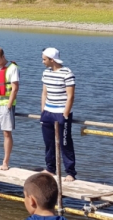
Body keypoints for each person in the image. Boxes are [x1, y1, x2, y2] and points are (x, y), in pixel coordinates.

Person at [41, 47, 76, 182]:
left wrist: (65, 113)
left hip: (61, 113)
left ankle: (70, 172)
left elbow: (70, 96)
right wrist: (43, 110)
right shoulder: (45, 73)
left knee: (65, 143)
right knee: (49, 143)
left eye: (44, 59)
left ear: (52, 60)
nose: (43, 62)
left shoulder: (67, 73)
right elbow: (44, 92)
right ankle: (50, 168)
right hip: (48, 113)